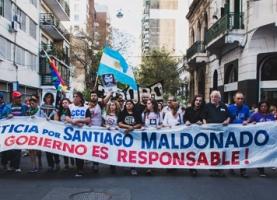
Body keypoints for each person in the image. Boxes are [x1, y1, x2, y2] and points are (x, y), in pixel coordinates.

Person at [201, 90, 230, 177]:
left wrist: (227, 121)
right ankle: (212, 168)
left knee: (220, 150)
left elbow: (228, 116)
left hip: (221, 133)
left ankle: (220, 168)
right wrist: (205, 125)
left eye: (215, 97)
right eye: (212, 97)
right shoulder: (207, 106)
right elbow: (204, 117)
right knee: (212, 151)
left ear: (219, 98)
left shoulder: (223, 106)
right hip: (211, 132)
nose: (213, 98)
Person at [1, 91, 29, 173]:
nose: (20, 99)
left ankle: (16, 166)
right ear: (14, 98)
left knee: (17, 149)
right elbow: (2, 116)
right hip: (9, 131)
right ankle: (12, 164)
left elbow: (28, 115)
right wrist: (7, 116)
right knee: (8, 149)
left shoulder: (24, 106)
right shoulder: (7, 107)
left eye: (20, 97)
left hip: (19, 132)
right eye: (18, 97)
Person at [88, 90, 114, 172]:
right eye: (92, 95)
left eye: (95, 95)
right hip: (90, 130)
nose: (93, 97)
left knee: (104, 147)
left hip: (100, 129)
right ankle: (95, 165)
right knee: (94, 148)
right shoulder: (86, 105)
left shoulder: (100, 104)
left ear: (97, 97)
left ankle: (111, 164)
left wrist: (110, 92)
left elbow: (107, 98)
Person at [66, 91, 91, 177]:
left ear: (80, 98)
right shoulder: (70, 107)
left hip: (82, 132)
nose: (75, 98)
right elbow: (67, 118)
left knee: (80, 149)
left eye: (76, 96)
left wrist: (79, 121)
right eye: (74, 96)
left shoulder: (86, 108)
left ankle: (80, 168)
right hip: (72, 132)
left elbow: (88, 119)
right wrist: (75, 122)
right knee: (72, 148)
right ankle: (75, 163)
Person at [250, 100, 275, 177]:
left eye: (265, 106)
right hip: (259, 140)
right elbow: (249, 123)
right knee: (260, 153)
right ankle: (261, 169)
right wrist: (252, 123)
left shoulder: (271, 116)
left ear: (267, 107)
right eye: (262, 106)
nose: (263, 108)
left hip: (269, 139)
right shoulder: (255, 115)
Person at [227, 92, 250, 177]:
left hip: (242, 132)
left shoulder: (246, 108)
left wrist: (247, 121)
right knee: (232, 150)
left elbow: (248, 118)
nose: (240, 100)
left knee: (242, 151)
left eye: (242, 99)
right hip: (232, 132)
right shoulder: (229, 108)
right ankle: (231, 166)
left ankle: (243, 170)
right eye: (238, 98)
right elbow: (227, 117)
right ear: (234, 99)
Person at [118, 100, 142, 175]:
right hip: (125, 135)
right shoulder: (122, 113)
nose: (128, 105)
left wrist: (133, 127)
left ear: (133, 105)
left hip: (134, 135)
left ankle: (133, 167)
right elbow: (120, 123)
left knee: (133, 151)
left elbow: (140, 123)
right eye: (127, 104)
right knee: (126, 150)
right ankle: (127, 164)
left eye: (130, 104)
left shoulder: (137, 113)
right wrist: (128, 127)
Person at [183, 94, 205, 176]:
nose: (198, 102)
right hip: (189, 133)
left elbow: (205, 118)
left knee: (197, 150)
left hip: (199, 133)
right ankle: (192, 168)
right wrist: (186, 121)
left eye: (200, 101)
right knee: (190, 150)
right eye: (197, 100)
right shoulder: (188, 109)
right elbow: (184, 118)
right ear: (194, 101)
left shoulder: (203, 110)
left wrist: (202, 122)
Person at [141, 98, 163, 175]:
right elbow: (142, 123)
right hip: (147, 134)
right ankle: (149, 166)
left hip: (156, 134)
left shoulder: (158, 114)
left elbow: (161, 123)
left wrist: (160, 126)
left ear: (153, 105)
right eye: (147, 103)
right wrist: (142, 127)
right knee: (148, 150)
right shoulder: (144, 114)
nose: (147, 105)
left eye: (149, 103)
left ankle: (152, 164)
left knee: (154, 150)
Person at [54, 98, 75, 170]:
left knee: (70, 147)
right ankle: (66, 163)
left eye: (66, 102)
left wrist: (69, 121)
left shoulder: (73, 111)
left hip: (71, 132)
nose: (64, 104)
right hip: (62, 133)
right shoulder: (59, 112)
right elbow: (56, 121)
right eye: (63, 103)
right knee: (64, 148)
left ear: (69, 103)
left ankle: (72, 157)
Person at [41, 92, 59, 172]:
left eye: (49, 97)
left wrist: (50, 120)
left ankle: (57, 162)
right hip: (44, 131)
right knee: (47, 149)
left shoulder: (54, 109)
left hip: (53, 131)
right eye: (46, 97)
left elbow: (56, 120)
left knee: (54, 148)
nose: (47, 98)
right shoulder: (41, 108)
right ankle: (50, 165)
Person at [26, 97, 45, 173]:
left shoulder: (41, 111)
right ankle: (34, 166)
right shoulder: (28, 111)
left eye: (32, 103)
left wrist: (36, 118)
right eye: (30, 104)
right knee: (31, 150)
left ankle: (39, 160)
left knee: (38, 150)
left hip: (38, 132)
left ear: (36, 103)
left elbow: (44, 120)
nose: (31, 105)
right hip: (30, 132)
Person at [102, 100, 121, 173]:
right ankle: (111, 164)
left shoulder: (118, 115)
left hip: (116, 134)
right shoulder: (105, 114)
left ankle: (114, 164)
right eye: (110, 105)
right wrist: (105, 125)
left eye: (113, 105)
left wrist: (118, 126)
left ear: (116, 106)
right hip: (108, 134)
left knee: (115, 149)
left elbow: (121, 123)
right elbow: (102, 123)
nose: (112, 106)